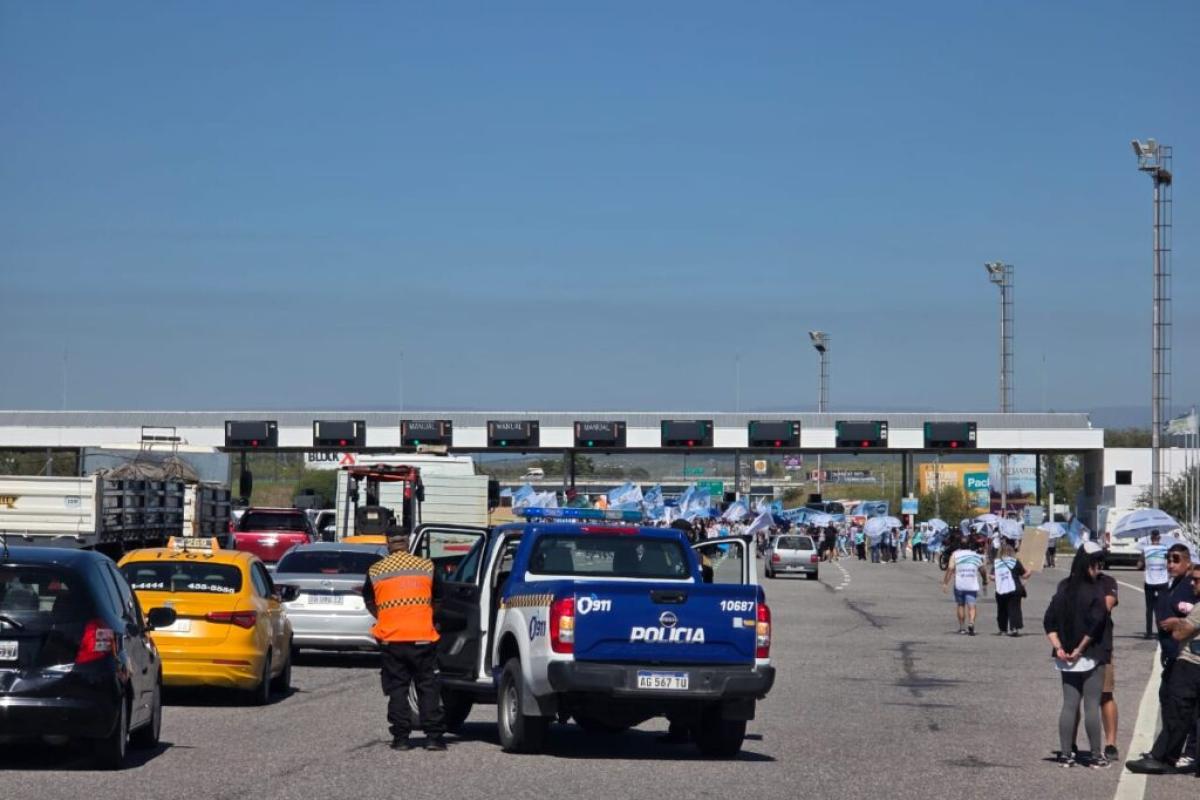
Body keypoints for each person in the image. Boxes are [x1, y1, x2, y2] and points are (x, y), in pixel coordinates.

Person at [363, 532, 447, 751]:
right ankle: (433, 738)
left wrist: (384, 616)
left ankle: (401, 738)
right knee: (428, 688)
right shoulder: (427, 566)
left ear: (387, 545)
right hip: (422, 637)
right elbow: (439, 597)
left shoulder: (375, 570)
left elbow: (369, 599)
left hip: (392, 639)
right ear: (408, 544)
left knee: (398, 689)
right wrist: (428, 617)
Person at [1125, 560, 1200, 775]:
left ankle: (1163, 757)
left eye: (1197, 580)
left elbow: (1179, 634)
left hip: (1190, 665)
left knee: (1178, 712)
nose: (1193, 584)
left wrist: (1178, 623)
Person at [1043, 545, 1109, 768]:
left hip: (1064, 656)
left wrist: (1060, 648)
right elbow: (1096, 624)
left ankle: (1065, 754)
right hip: (1089, 653)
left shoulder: (1063, 587)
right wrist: (1079, 649)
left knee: (1069, 704)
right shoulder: (1095, 590)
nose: (1098, 568)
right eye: (1096, 564)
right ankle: (1095, 755)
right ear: (1089, 565)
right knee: (1091, 705)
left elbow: (1048, 622)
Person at [943, 539, 986, 636]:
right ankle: (971, 622)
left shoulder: (955, 555)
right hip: (972, 584)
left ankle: (962, 627)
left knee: (961, 605)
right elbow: (982, 570)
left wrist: (945, 583)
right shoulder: (975, 555)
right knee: (972, 605)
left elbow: (950, 569)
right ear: (970, 545)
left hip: (960, 584)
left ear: (960, 545)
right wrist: (984, 580)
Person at [1137, 530, 1171, 639]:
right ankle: (1162, 631)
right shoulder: (1166, 549)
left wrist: (1144, 563)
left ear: (1151, 538)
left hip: (1149, 582)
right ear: (1159, 538)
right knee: (1162, 608)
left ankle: (1149, 632)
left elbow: (1139, 565)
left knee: (1149, 608)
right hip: (1163, 582)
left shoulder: (1146, 550)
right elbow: (1170, 564)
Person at [992, 541, 1029, 636]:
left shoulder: (997, 562)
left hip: (1001, 589)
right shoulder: (1015, 561)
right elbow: (1024, 575)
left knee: (1002, 609)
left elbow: (992, 576)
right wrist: (1031, 571)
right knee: (1015, 608)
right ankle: (1014, 628)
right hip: (1015, 588)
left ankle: (1003, 629)